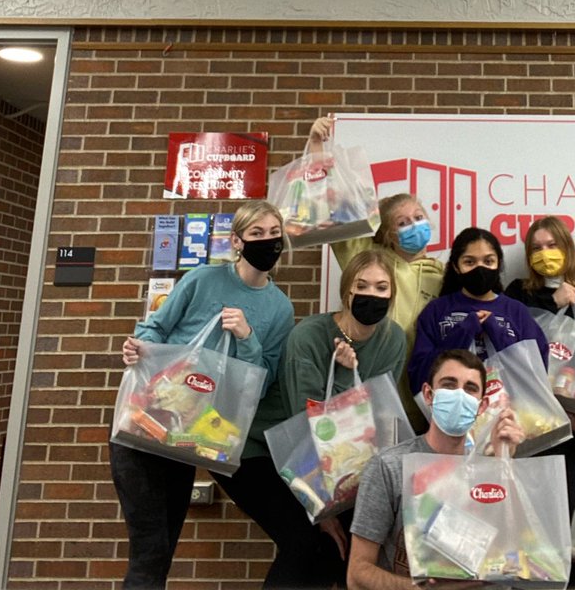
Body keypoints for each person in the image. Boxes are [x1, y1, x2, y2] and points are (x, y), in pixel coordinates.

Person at [110, 200, 293, 590]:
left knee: (162, 552)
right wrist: (136, 347)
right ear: (237, 241)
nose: (267, 241)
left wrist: (247, 337)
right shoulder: (203, 279)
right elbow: (154, 329)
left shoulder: (280, 308)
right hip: (146, 422)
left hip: (190, 438)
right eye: (256, 233)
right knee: (149, 552)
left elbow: (263, 380)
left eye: (273, 234)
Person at [214, 249, 407, 589]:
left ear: (392, 294)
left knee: (343, 550)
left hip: (335, 459)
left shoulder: (393, 339)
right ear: (347, 291)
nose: (371, 295)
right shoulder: (309, 336)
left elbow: (375, 412)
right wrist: (323, 510)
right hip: (261, 450)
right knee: (303, 541)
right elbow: (309, 421)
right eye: (362, 285)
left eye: (381, 288)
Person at [348, 348, 526, 589]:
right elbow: (358, 573)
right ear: (429, 395)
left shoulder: (486, 471)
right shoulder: (388, 467)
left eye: (470, 388)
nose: (459, 395)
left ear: (482, 405)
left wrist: (504, 464)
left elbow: (515, 554)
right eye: (449, 385)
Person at [311, 116, 444, 425]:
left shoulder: (444, 274)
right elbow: (333, 208)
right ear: (387, 233)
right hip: (371, 383)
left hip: (423, 392)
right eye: (403, 222)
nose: (415, 226)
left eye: (419, 217)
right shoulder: (368, 257)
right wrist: (318, 148)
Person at [505, 215, 575, 527]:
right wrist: (553, 304)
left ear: (567, 247)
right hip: (523, 427)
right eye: (537, 247)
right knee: (521, 520)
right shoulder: (516, 295)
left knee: (560, 520)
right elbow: (509, 351)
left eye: (552, 245)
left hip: (569, 432)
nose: (545, 253)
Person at [406, 226, 549, 395]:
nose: (480, 269)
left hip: (509, 416)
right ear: (456, 267)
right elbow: (418, 377)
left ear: (499, 264)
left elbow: (536, 376)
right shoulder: (436, 310)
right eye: (469, 262)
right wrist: (462, 332)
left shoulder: (517, 311)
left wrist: (497, 332)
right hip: (451, 416)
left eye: (488, 261)